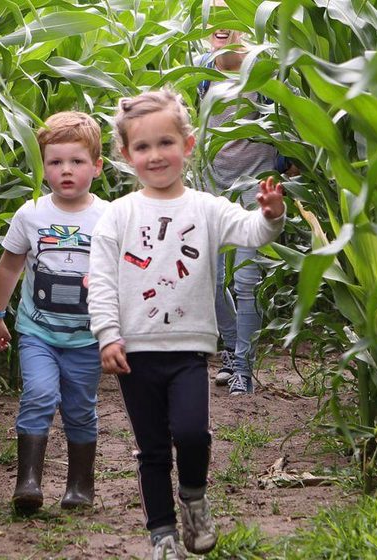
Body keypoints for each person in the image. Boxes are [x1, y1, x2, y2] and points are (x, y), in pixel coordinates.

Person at [88, 90, 288, 559]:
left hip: (189, 348)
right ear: (125, 155)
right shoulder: (118, 215)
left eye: (166, 143)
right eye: (143, 147)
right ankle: (162, 536)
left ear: (188, 144)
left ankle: (194, 499)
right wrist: (107, 334)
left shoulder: (206, 208)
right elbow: (99, 280)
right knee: (152, 449)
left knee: (193, 433)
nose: (155, 155)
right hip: (135, 349)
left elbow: (252, 231)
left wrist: (272, 215)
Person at [0, 111, 108, 513]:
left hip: (87, 337)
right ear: (43, 167)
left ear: (97, 166)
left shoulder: (109, 218)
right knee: (37, 394)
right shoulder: (31, 213)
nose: (65, 171)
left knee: (79, 408)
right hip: (38, 331)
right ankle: (28, 483)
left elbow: (123, 273)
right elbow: (10, 265)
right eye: (55, 162)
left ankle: (79, 486)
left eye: (76, 162)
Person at [195, 1, 293, 395]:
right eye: (211, 15)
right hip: (212, 187)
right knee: (212, 279)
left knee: (247, 282)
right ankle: (234, 350)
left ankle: (245, 369)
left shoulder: (262, 68)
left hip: (255, 188)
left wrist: (286, 169)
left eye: (228, 13)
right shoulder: (203, 70)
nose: (219, 24)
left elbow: (287, 125)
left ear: (244, 21)